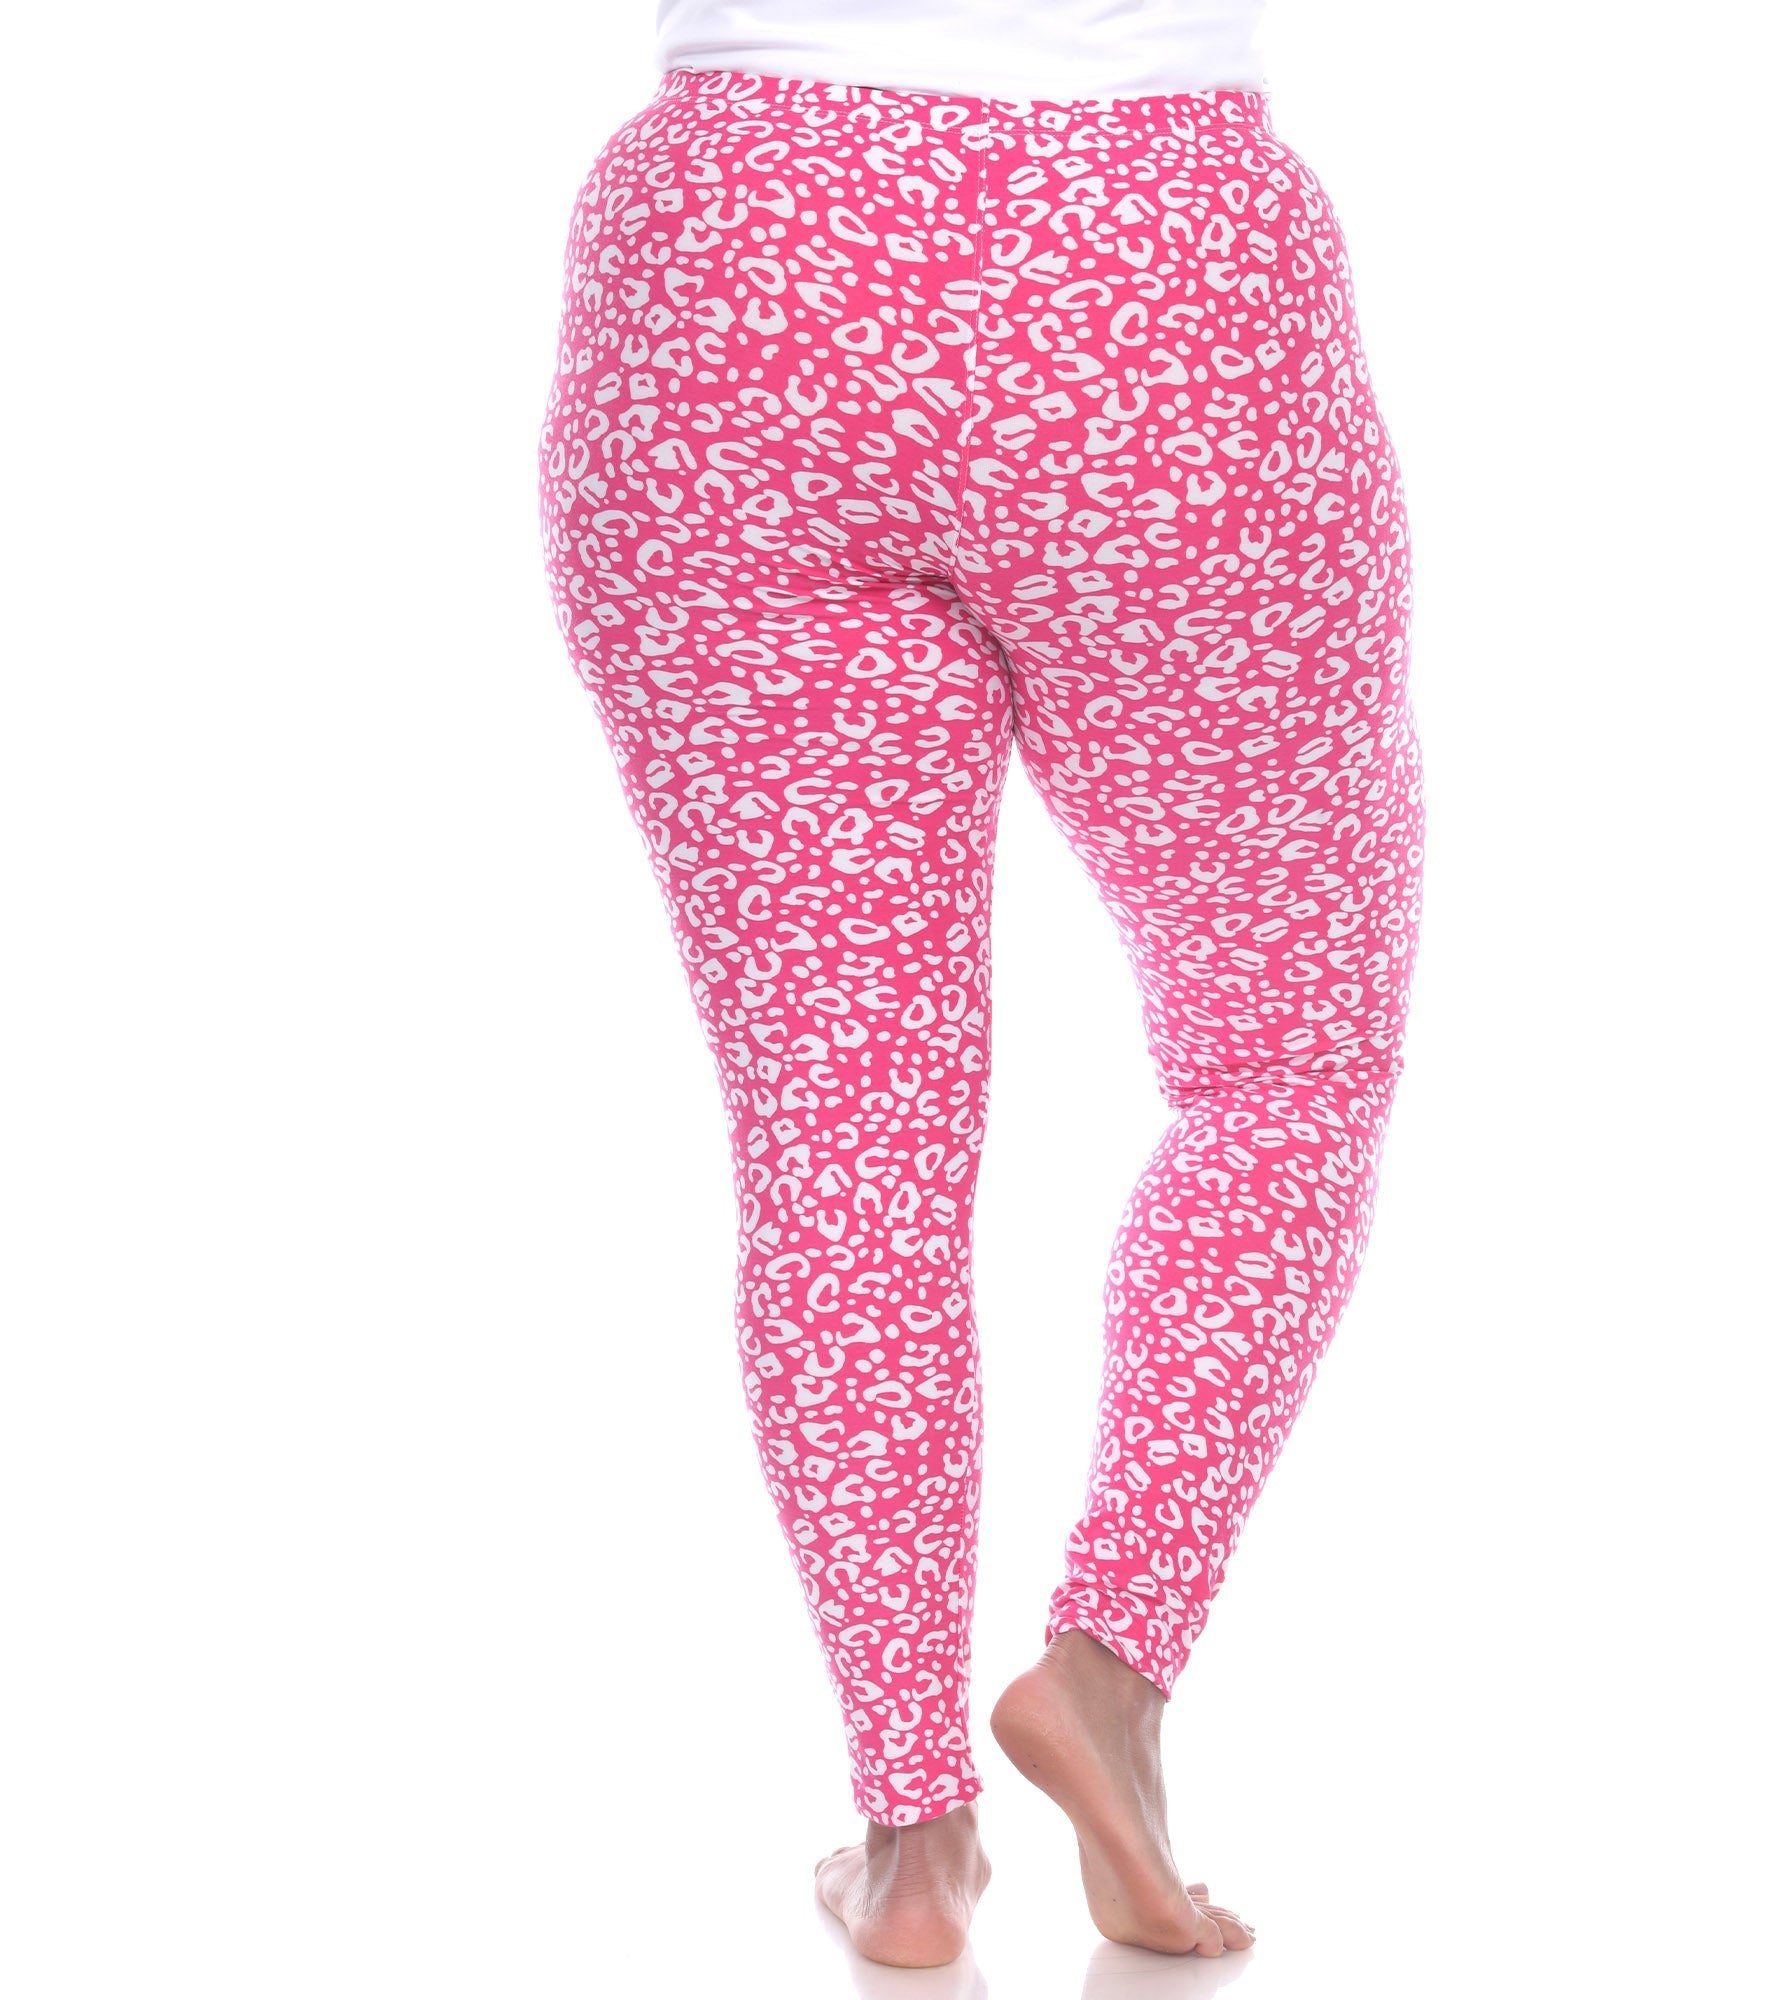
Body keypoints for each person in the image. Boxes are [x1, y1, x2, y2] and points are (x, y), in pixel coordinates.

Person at [538, 0, 1425, 1968]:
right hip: (1158, 274)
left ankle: (913, 1835)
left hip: (736, 263)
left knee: (839, 1136)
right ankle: (1105, 1669)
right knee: (1285, 1058)